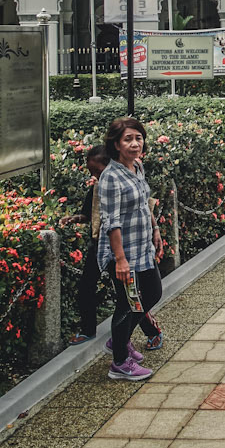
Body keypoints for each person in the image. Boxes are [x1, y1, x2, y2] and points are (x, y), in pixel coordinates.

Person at [97, 115, 165, 380]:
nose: (135, 144)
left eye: (138, 138)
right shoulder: (110, 177)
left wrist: (155, 229)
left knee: (152, 293)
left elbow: (144, 203)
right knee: (128, 304)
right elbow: (110, 222)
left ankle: (119, 339)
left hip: (142, 246)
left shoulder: (137, 166)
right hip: (123, 252)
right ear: (116, 144)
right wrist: (120, 260)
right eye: (128, 139)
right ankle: (119, 364)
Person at [72, 144, 109, 342]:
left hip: (118, 247)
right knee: (86, 287)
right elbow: (88, 214)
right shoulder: (96, 188)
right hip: (98, 245)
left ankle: (152, 331)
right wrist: (75, 219)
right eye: (91, 171)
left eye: (97, 170)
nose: (94, 175)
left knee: (128, 293)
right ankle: (88, 329)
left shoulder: (119, 186)